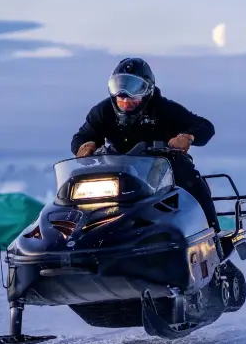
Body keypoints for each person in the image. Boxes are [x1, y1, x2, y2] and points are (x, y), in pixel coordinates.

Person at [71, 57, 220, 234]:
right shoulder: (103, 111)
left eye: (134, 88)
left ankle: (214, 235)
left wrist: (188, 137)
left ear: (147, 89)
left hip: (162, 171)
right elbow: (82, 136)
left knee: (190, 179)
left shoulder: (164, 109)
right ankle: (76, 237)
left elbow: (205, 126)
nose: (125, 97)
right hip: (118, 170)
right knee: (80, 192)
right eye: (119, 87)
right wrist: (83, 146)